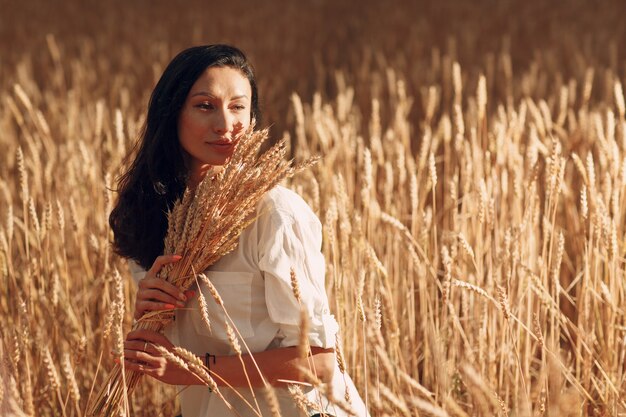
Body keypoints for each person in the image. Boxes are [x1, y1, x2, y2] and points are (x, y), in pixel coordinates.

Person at [108, 44, 368, 417]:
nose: (226, 125)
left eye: (237, 107)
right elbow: (173, 351)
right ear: (171, 114)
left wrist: (195, 370)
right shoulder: (153, 219)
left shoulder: (275, 214)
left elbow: (319, 362)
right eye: (205, 106)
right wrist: (149, 317)